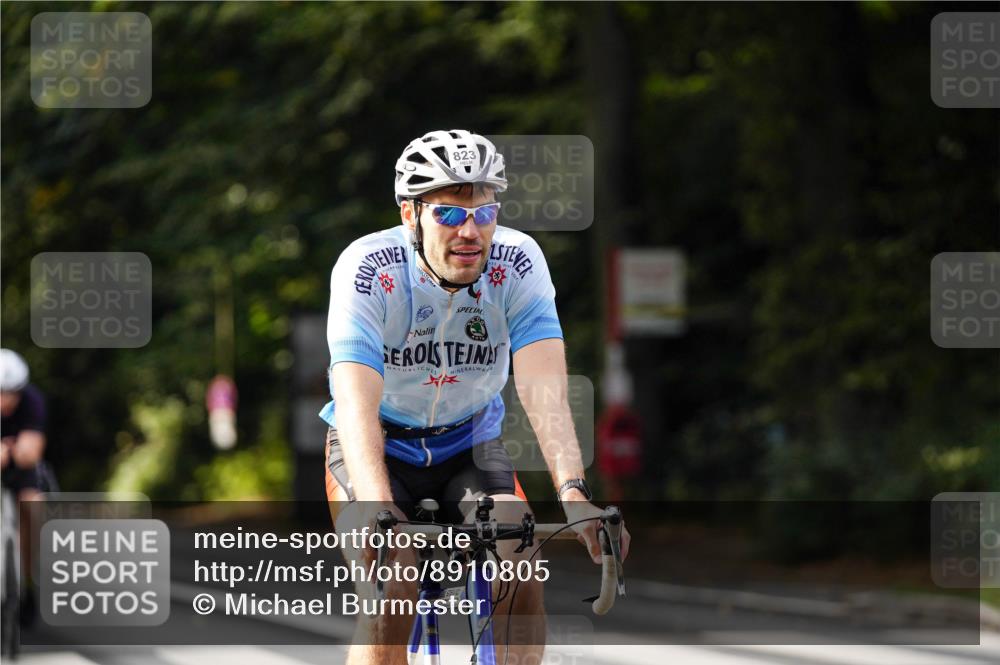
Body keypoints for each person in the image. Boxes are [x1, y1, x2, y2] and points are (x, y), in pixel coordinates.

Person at [320, 129, 630, 665]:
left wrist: (574, 494)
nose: (470, 232)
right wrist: (376, 505)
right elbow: (354, 402)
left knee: (520, 557)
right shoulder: (367, 269)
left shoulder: (519, 261)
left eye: (484, 214)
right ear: (409, 215)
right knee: (394, 583)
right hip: (376, 445)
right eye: (448, 214)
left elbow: (546, 392)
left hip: (470, 442)